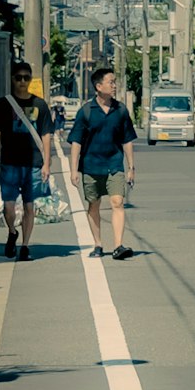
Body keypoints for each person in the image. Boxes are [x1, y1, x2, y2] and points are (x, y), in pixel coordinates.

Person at [67, 66, 140, 257]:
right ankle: (98, 244)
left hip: (114, 165)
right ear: (99, 86)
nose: (114, 86)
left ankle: (118, 246)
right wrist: (73, 170)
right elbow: (76, 142)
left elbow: (127, 140)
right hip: (91, 166)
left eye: (115, 82)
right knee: (94, 204)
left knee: (117, 202)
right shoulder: (86, 112)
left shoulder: (121, 110)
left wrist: (131, 167)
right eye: (111, 82)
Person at [0, 71, 48, 261]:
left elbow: (46, 134)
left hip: (34, 164)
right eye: (18, 77)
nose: (22, 81)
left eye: (26, 77)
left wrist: (47, 163)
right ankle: (12, 232)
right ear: (12, 79)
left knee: (30, 206)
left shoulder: (40, 104)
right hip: (10, 162)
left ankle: (25, 246)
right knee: (9, 207)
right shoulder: (3, 104)